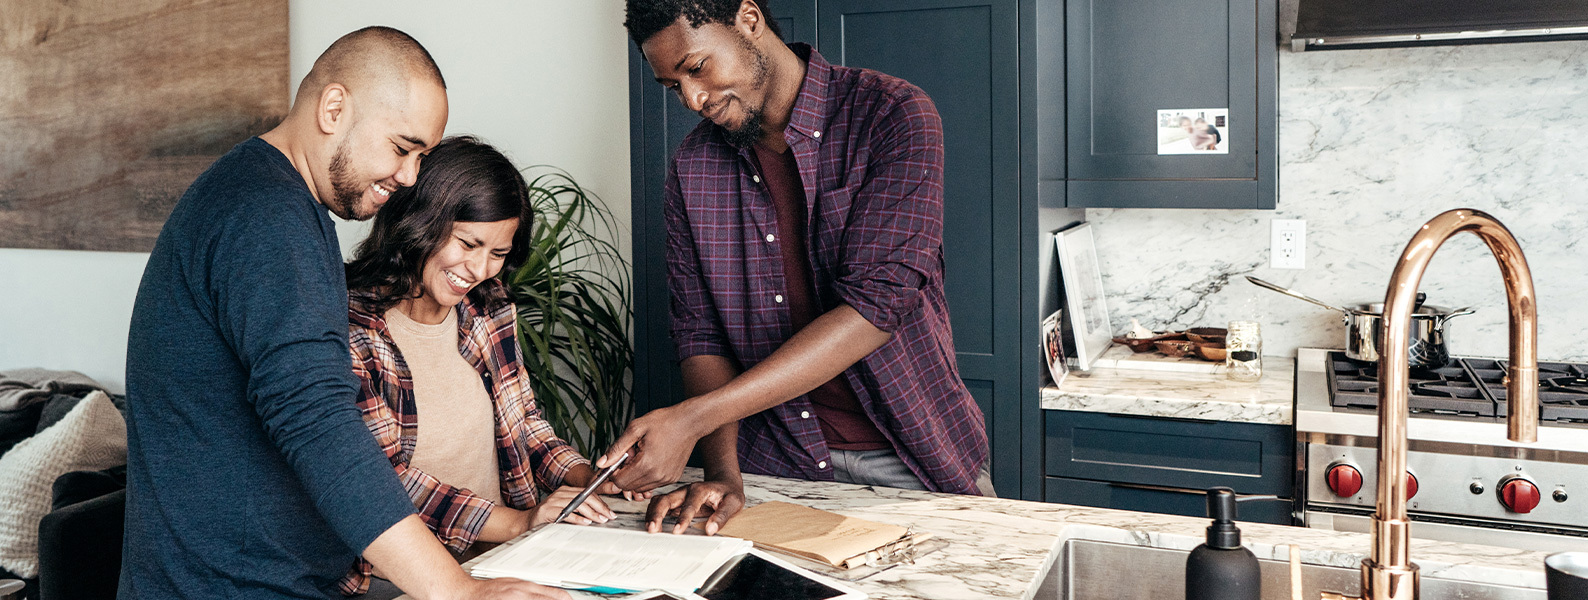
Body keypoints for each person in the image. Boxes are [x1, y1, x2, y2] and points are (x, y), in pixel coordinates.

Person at [122, 26, 567, 600]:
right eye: (402, 148)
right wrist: (460, 591)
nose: (408, 176)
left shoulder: (265, 200)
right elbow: (315, 417)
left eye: (421, 157)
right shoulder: (267, 216)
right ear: (334, 108)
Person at [600, 0, 992, 536]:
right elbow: (700, 333)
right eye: (673, 87)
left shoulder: (893, 113)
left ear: (749, 20)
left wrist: (693, 419)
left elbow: (877, 305)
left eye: (696, 68)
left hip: (913, 458)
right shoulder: (692, 168)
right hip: (774, 466)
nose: (691, 99)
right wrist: (722, 473)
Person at [338, 137, 615, 595]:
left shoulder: (488, 308)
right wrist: (520, 522)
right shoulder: (350, 328)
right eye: (469, 243)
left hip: (504, 561)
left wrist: (589, 480)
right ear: (419, 221)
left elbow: (523, 423)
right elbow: (383, 485)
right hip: (403, 582)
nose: (480, 269)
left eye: (499, 254)